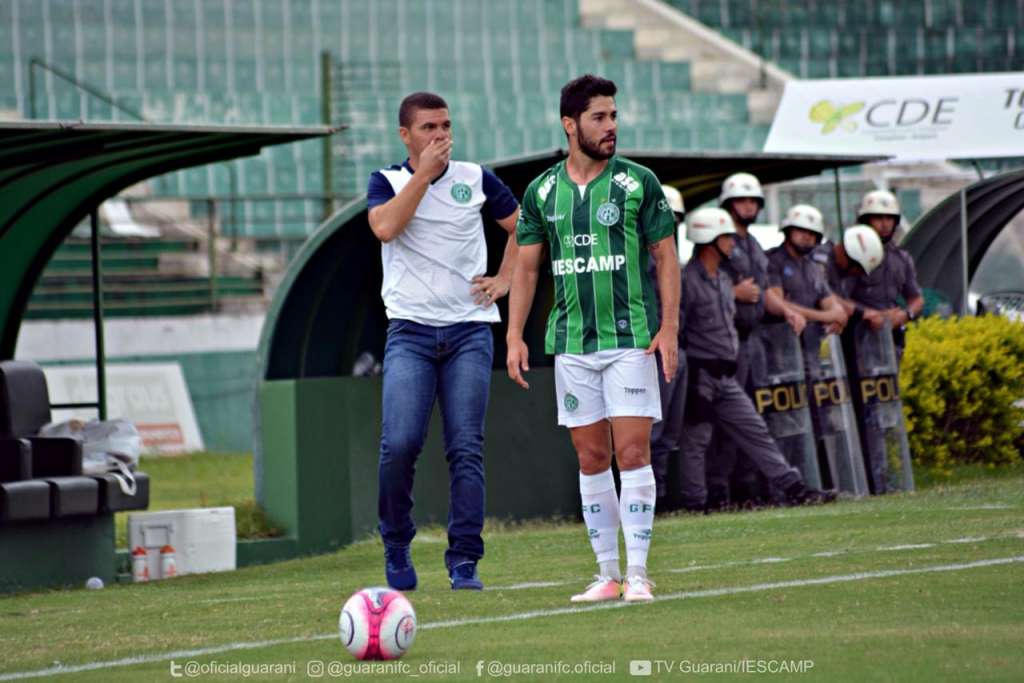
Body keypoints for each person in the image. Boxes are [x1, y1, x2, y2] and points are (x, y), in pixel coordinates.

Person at [506, 75, 680, 603]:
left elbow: (665, 255)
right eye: (599, 117)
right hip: (572, 346)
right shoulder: (541, 192)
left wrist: (668, 327)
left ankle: (640, 575)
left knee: (632, 452)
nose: (611, 127)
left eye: (614, 116)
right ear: (570, 124)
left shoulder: (637, 183)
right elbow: (527, 270)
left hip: (630, 339)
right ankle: (607, 574)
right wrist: (514, 335)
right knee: (590, 458)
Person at [367, 91, 520, 591]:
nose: (440, 136)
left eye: (446, 126)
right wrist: (423, 176)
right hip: (409, 330)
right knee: (400, 445)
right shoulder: (387, 181)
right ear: (405, 135)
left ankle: (464, 561)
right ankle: (396, 543)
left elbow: (527, 228)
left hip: (469, 330)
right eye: (429, 128)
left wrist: (504, 279)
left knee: (466, 448)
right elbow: (386, 227)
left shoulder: (477, 177)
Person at [676, 207, 836, 512]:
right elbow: (678, 330)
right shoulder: (687, 281)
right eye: (726, 238)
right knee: (697, 440)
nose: (732, 244)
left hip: (727, 375)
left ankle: (794, 488)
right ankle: (695, 504)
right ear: (709, 241)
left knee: (755, 430)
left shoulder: (723, 281)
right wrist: (690, 376)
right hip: (700, 374)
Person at [706, 173, 805, 509]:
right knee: (724, 424)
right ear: (728, 204)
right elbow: (702, 283)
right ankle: (721, 492)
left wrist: (789, 311)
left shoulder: (754, 246)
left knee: (755, 417)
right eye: (741, 200)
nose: (748, 206)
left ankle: (752, 492)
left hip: (754, 342)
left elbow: (763, 293)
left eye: (752, 201)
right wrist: (733, 293)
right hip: (724, 344)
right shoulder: (716, 239)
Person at [839, 190, 924, 356]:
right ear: (866, 221)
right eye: (878, 218)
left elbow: (916, 298)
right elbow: (838, 299)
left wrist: (905, 314)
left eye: (889, 218)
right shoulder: (850, 255)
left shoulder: (902, 258)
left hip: (891, 341)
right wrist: (868, 314)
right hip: (858, 338)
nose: (885, 224)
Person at [649, 185, 689, 511]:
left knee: (669, 432)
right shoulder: (643, 259)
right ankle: (645, 500)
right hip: (651, 348)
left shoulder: (676, 259)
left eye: (674, 219)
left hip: (678, 347)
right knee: (651, 430)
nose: (668, 224)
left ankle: (659, 498)